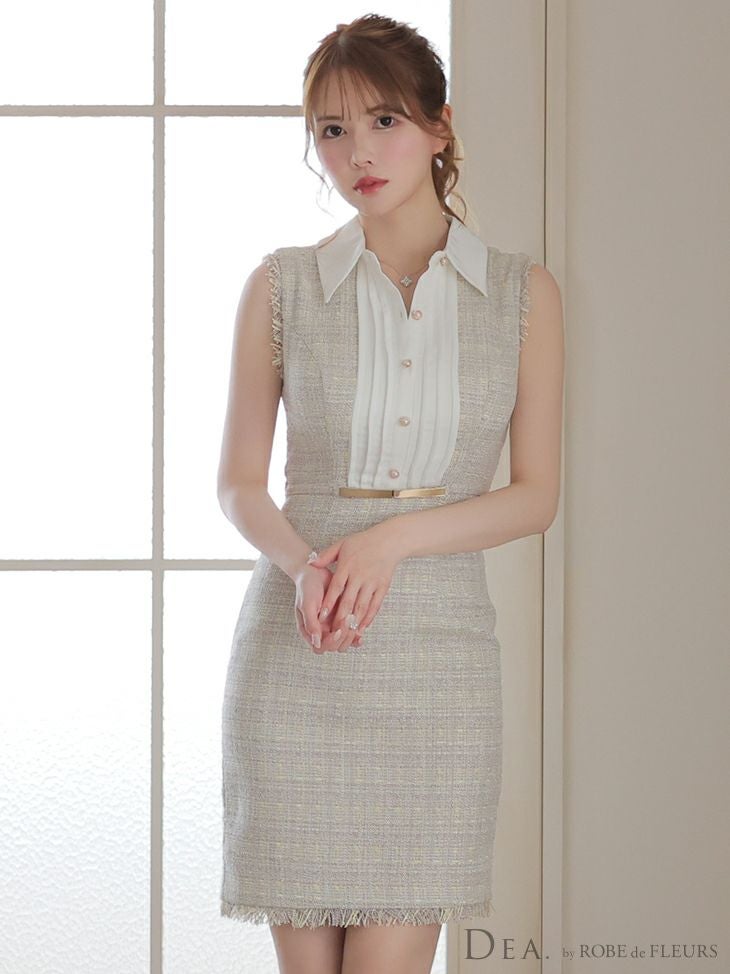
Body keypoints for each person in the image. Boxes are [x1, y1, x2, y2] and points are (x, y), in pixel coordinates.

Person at [217, 13, 564, 974]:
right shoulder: (281, 287)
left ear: (439, 126)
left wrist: (390, 541)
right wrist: (305, 567)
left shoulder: (522, 295)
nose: (357, 153)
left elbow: (535, 495)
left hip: (439, 668)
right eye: (332, 130)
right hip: (300, 649)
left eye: (384, 121)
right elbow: (239, 483)